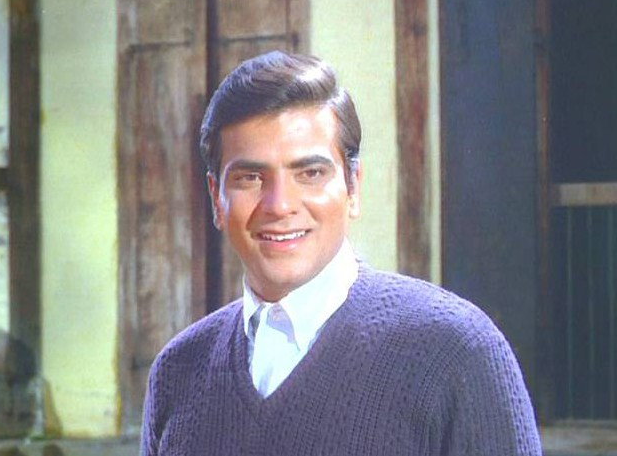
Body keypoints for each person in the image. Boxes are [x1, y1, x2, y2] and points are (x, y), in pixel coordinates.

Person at [140, 51, 542, 456]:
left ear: (353, 187)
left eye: (310, 173)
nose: (280, 205)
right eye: (250, 177)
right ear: (216, 198)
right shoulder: (178, 371)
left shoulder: (456, 350)